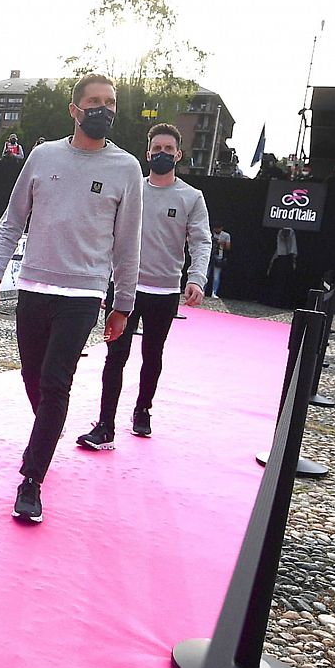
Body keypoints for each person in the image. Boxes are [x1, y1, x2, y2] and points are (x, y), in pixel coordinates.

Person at [0, 74, 143, 524]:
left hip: (84, 292)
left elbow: (128, 244)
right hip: (33, 285)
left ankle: (31, 480)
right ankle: (47, 432)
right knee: (33, 378)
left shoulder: (127, 168)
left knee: (55, 382)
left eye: (110, 102)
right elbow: (12, 220)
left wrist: (122, 305)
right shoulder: (42, 156)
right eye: (94, 101)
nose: (103, 109)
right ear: (75, 109)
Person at [78, 124, 210, 448]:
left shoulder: (191, 197)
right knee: (115, 356)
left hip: (165, 292)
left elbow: (202, 241)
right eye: (157, 148)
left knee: (152, 355)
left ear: (178, 154)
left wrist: (197, 278)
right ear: (147, 151)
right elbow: (103, 232)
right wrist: (100, 280)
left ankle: (142, 410)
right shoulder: (130, 188)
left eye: (169, 149)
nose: (162, 154)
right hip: (124, 288)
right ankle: (105, 425)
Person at [209, 223, 231, 297]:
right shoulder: (209, 233)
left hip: (219, 256)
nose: (217, 230)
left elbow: (228, 247)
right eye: (216, 228)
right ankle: (202, 290)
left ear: (221, 228)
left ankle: (214, 292)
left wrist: (221, 242)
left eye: (219, 228)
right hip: (209, 255)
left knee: (216, 276)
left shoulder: (226, 235)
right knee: (205, 275)